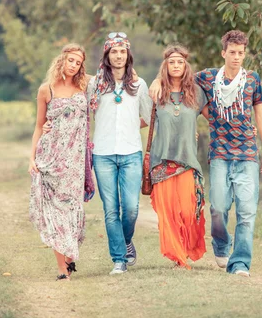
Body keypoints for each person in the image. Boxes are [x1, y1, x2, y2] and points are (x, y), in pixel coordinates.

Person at [150, 30, 262, 277]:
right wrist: (155, 80)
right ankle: (221, 244)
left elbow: (259, 113)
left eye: (241, 53)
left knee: (247, 213)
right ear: (223, 53)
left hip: (248, 153)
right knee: (217, 208)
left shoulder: (252, 80)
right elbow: (176, 72)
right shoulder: (207, 77)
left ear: (244, 54)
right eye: (232, 53)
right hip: (219, 153)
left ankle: (239, 264)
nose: (237, 57)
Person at [88, 32, 152, 275]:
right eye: (113, 51)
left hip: (131, 152)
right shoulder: (95, 84)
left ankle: (126, 240)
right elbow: (81, 110)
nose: (118, 55)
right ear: (107, 55)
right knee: (111, 209)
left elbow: (149, 116)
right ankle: (119, 259)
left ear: (128, 55)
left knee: (131, 207)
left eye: (122, 51)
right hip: (102, 153)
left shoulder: (138, 84)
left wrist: (128, 125)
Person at [28, 43, 90, 281]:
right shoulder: (46, 90)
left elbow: (114, 73)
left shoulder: (84, 85)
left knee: (72, 208)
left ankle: (70, 257)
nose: (74, 65)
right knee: (56, 212)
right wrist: (31, 158)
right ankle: (62, 269)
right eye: (70, 60)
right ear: (61, 60)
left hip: (75, 160)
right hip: (51, 157)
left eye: (78, 62)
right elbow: (38, 126)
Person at [149, 45, 208, 269]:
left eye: (179, 62)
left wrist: (242, 129)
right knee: (169, 213)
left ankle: (185, 249)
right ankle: (178, 257)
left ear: (186, 66)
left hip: (187, 162)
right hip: (161, 162)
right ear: (165, 66)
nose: (175, 66)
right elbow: (143, 119)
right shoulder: (156, 93)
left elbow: (214, 119)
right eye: (171, 62)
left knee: (187, 210)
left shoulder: (196, 93)